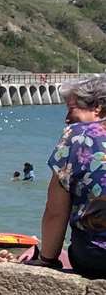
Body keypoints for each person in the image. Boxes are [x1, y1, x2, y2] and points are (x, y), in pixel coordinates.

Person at [34, 74, 106, 277]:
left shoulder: (78, 135)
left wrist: (47, 259)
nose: (66, 118)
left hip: (97, 256)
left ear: (98, 107)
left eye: (71, 109)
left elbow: (56, 211)